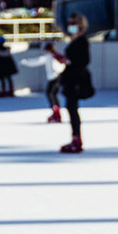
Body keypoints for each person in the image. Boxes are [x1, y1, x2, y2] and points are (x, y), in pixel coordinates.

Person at [57, 13, 93, 153]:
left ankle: (77, 139)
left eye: (73, 23)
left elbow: (84, 60)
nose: (70, 26)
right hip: (70, 77)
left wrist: (69, 61)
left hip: (76, 79)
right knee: (71, 108)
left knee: (72, 108)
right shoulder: (74, 39)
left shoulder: (82, 41)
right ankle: (75, 138)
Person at [21, 41, 66, 123]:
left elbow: (37, 61)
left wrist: (26, 62)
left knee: (50, 94)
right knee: (53, 94)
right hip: (58, 78)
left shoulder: (49, 57)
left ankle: (56, 112)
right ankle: (56, 112)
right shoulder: (56, 56)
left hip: (54, 78)